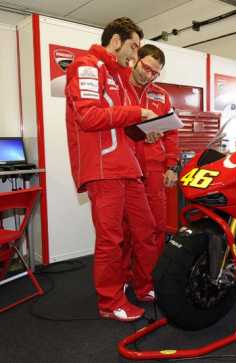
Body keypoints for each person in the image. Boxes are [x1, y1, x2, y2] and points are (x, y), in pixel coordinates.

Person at [65, 17, 158, 322]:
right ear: (116, 41)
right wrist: (135, 112)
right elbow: (89, 117)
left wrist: (147, 129)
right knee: (111, 239)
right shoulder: (86, 65)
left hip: (127, 167)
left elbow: (121, 126)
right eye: (133, 46)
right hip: (103, 168)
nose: (135, 56)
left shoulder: (118, 77)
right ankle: (109, 302)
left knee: (145, 231)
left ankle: (142, 285)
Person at [121, 44, 179, 284]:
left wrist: (172, 165)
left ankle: (147, 281)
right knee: (124, 230)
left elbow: (172, 134)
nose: (149, 75)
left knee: (155, 228)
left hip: (154, 168)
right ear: (136, 60)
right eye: (146, 68)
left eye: (155, 73)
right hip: (124, 167)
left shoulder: (161, 95)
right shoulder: (117, 86)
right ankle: (123, 278)